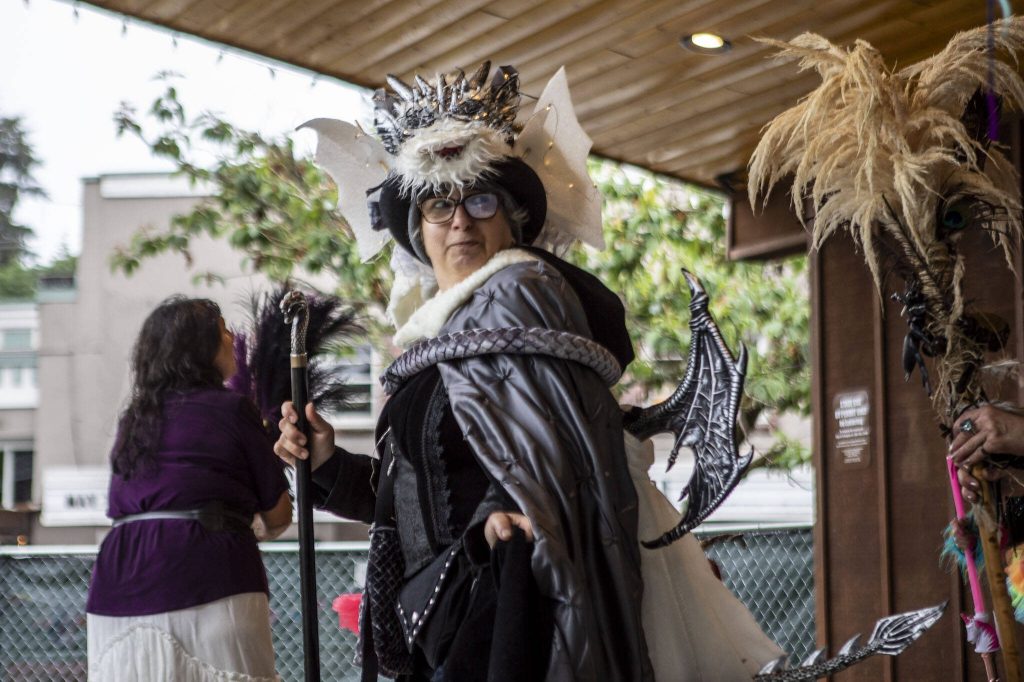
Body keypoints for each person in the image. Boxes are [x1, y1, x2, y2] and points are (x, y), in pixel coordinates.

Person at [279, 62, 785, 681]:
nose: (460, 219)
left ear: (512, 219)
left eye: (480, 199)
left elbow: (558, 452)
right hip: (441, 614)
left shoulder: (522, 295)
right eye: (440, 204)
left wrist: (504, 514)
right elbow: (418, 499)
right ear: (417, 232)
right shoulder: (431, 342)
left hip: (514, 607)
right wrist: (329, 464)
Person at [86, 296, 292, 681]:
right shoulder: (232, 409)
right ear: (200, 347)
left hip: (117, 583)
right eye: (223, 329)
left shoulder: (134, 419)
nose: (233, 337)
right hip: (208, 572)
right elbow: (278, 513)